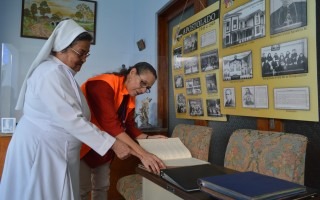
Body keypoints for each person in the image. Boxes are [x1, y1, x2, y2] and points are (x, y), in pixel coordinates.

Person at [0, 19, 133, 200]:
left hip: (56, 151)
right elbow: (72, 119)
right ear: (62, 47)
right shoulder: (50, 73)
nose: (84, 59)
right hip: (42, 151)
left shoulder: (62, 72)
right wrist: (113, 143)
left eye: (87, 54)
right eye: (81, 53)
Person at [79, 62, 166, 200]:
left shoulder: (130, 95)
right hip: (84, 146)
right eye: (143, 83)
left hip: (107, 146)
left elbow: (130, 125)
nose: (144, 91)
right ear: (132, 73)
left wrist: (149, 138)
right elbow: (110, 124)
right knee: (82, 190)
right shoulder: (101, 84)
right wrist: (143, 154)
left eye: (147, 88)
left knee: (102, 187)